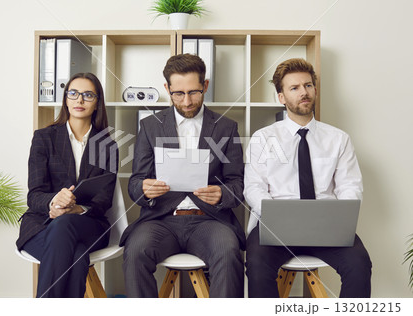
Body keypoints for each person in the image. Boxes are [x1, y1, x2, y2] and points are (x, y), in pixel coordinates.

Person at [244, 58, 372, 298]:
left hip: (327, 226)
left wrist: (339, 220)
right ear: (281, 97)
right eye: (294, 88)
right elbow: (253, 187)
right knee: (258, 264)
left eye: (308, 85)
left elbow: (350, 187)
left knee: (359, 264)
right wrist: (278, 216)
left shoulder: (338, 139)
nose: (304, 92)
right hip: (275, 226)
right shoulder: (262, 139)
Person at [120, 54, 245, 298]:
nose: (187, 101)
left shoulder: (226, 127)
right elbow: (135, 182)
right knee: (135, 251)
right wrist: (144, 190)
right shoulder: (150, 126)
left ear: (205, 86)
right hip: (161, 220)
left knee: (228, 251)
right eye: (178, 93)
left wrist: (222, 194)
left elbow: (237, 184)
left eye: (194, 92)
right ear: (167, 89)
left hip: (208, 221)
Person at [16, 72, 118, 298]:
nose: (79, 100)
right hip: (41, 224)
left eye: (88, 95)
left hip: (89, 225)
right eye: (73, 93)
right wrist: (54, 203)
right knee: (77, 256)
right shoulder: (44, 138)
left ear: (97, 102)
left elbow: (103, 200)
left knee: (64, 225)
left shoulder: (107, 146)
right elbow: (34, 195)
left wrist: (77, 209)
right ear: (65, 99)